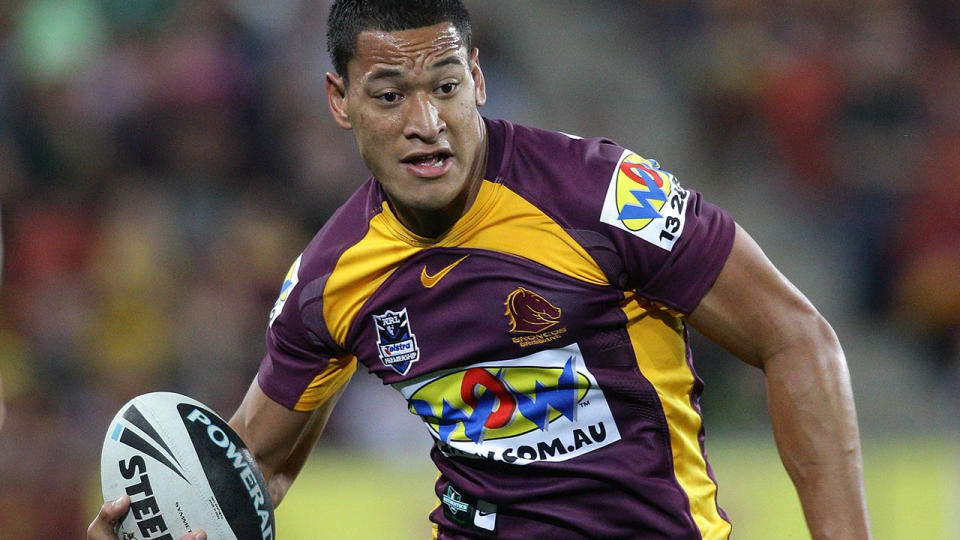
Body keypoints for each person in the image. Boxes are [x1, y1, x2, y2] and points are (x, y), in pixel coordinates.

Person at [90, 1, 871, 538]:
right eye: (390, 94)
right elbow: (253, 461)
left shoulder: (602, 196)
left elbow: (797, 338)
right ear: (340, 100)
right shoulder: (331, 278)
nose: (425, 124)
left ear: (479, 81)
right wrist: (163, 520)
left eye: (445, 88)